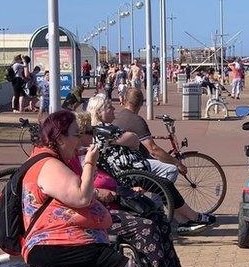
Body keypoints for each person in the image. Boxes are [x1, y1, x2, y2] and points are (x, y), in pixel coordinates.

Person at [21, 111, 179, 267]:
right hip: (49, 243)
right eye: (76, 135)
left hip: (58, 239)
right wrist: (90, 162)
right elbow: (82, 196)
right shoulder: (49, 164)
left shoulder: (52, 159)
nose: (80, 141)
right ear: (61, 138)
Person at [72, 111, 201, 267]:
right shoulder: (75, 161)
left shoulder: (92, 153)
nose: (92, 137)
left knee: (159, 218)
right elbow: (77, 190)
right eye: (87, 132)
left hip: (114, 203)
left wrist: (127, 189)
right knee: (146, 227)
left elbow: (112, 177)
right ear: (77, 135)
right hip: (95, 213)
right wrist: (99, 192)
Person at [87, 92, 216, 233]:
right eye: (109, 108)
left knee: (164, 184)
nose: (113, 109)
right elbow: (135, 140)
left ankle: (184, 221)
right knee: (165, 183)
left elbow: (133, 140)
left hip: (130, 168)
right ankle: (190, 216)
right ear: (99, 112)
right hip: (128, 172)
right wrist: (130, 138)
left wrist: (130, 138)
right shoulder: (103, 130)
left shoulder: (104, 128)